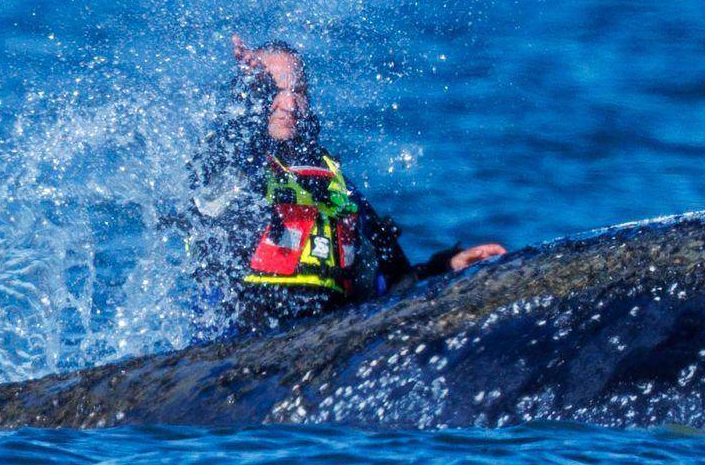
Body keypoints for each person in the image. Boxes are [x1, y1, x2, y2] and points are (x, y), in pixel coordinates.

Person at [186, 36, 506, 338]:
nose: (289, 103)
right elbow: (215, 162)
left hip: (323, 348)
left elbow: (394, 285)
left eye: (299, 91)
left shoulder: (335, 188)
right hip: (238, 352)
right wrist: (248, 95)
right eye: (270, 88)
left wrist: (447, 267)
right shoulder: (231, 170)